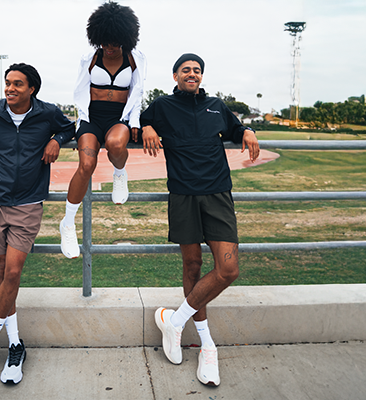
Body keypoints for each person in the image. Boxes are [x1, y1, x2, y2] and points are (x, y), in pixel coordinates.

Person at [139, 53, 260, 387]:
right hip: (182, 194)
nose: (192, 74)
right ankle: (207, 346)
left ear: (201, 76)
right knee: (192, 267)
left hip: (217, 193)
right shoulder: (161, 106)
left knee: (228, 269)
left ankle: (174, 321)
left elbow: (236, 127)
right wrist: (147, 126)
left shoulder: (217, 106)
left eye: (197, 70)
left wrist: (247, 130)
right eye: (186, 70)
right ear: (175, 75)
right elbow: (136, 121)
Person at [0, 63, 76, 385]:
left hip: (27, 203)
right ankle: (15, 345)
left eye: (17, 84)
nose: (10, 89)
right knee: (2, 273)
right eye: (7, 83)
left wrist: (58, 140)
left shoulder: (47, 113)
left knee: (12, 272)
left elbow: (71, 129)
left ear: (32, 89)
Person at [59, 1, 146, 259]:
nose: (110, 48)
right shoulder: (90, 59)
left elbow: (138, 93)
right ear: (97, 38)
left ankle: (120, 174)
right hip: (91, 118)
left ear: (126, 39)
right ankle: (67, 223)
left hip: (118, 117)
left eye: (115, 43)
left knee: (117, 146)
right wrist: (82, 123)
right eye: (105, 43)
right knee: (86, 165)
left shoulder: (135, 58)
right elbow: (78, 92)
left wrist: (135, 122)